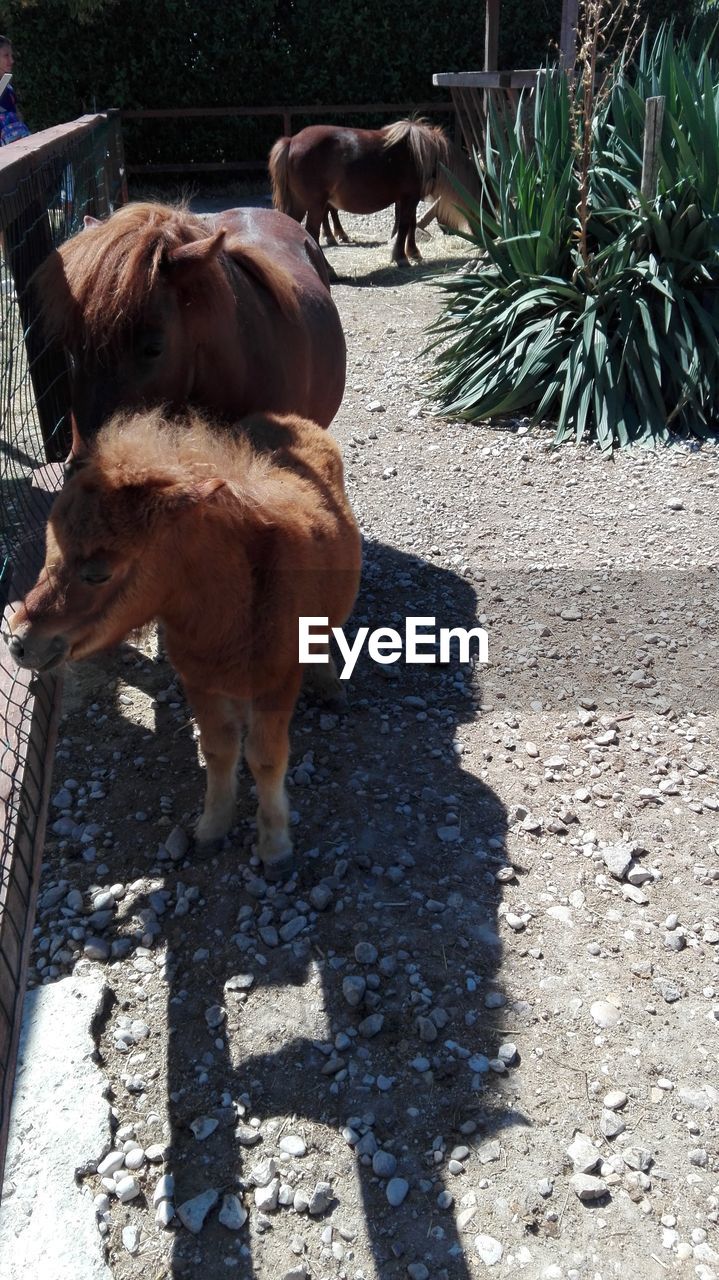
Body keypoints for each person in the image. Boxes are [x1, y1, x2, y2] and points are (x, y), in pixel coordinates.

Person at [0, 36, 31, 146]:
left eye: (11, 55)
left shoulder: (7, 85)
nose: (12, 60)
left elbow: (18, 116)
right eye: (6, 55)